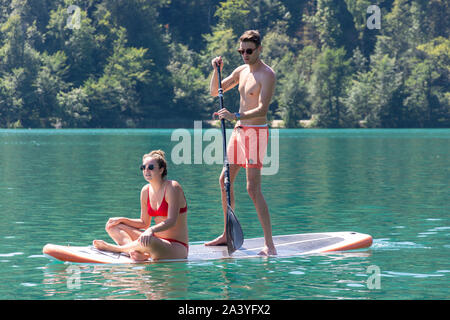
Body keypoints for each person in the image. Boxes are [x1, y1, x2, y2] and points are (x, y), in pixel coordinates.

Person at [206, 30, 277, 256]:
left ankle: (269, 245)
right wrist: (215, 70)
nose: (244, 55)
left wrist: (235, 116)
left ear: (259, 50)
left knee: (252, 189)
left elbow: (262, 109)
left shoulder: (267, 75)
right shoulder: (240, 71)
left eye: (249, 51)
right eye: (241, 51)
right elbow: (213, 90)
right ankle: (227, 233)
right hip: (239, 131)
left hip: (255, 132)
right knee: (224, 180)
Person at [92, 150, 189, 261]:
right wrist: (121, 220)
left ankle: (115, 249)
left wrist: (151, 230)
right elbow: (144, 223)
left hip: (177, 247)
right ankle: (134, 253)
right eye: (143, 167)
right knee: (112, 226)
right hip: (155, 240)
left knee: (150, 241)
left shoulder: (172, 187)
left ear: (161, 170)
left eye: (151, 167)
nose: (146, 171)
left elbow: (172, 220)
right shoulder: (145, 191)